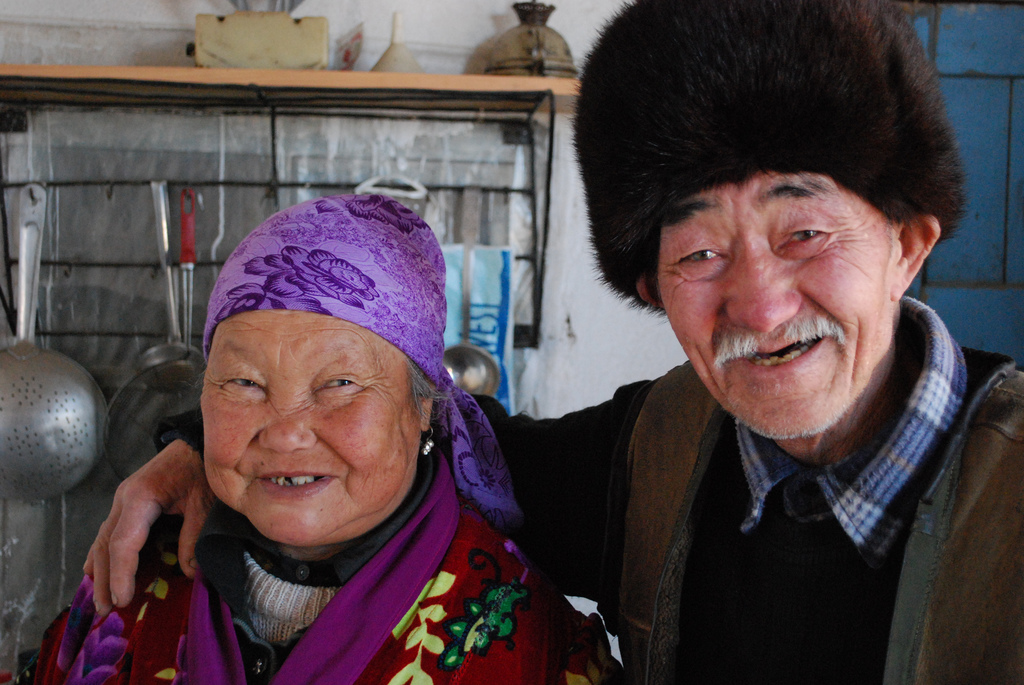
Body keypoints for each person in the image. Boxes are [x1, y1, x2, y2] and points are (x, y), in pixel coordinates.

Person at [83, 0, 1024, 683]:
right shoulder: (651, 456)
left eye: (804, 233)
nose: (763, 305)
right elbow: (407, 433)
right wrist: (198, 447)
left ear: (908, 242)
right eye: (699, 249)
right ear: (656, 289)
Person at [25, 196, 619, 685]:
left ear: (423, 410)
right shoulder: (128, 582)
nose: (285, 432)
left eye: (339, 383)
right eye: (243, 382)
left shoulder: (532, 646)